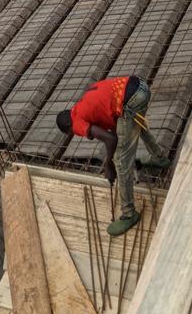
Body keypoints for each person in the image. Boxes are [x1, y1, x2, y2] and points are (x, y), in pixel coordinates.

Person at [56, 76, 170, 236]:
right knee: (134, 125)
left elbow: (111, 139)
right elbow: (114, 125)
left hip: (131, 100)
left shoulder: (76, 122)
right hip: (140, 86)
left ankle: (129, 214)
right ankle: (159, 158)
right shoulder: (83, 104)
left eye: (70, 133)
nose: (74, 134)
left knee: (121, 161)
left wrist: (108, 166)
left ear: (68, 126)